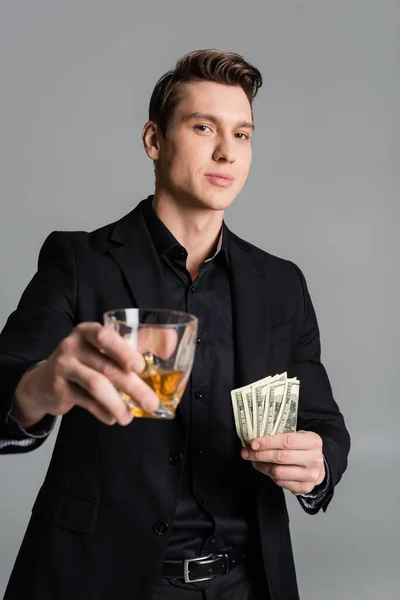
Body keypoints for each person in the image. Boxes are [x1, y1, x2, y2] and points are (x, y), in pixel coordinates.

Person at [0, 49, 350, 600]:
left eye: (242, 134)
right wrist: (37, 388)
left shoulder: (282, 284)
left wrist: (318, 465)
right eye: (203, 126)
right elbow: (7, 379)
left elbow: (325, 426)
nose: (225, 151)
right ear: (154, 140)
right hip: (98, 581)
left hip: (247, 583)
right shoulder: (79, 263)